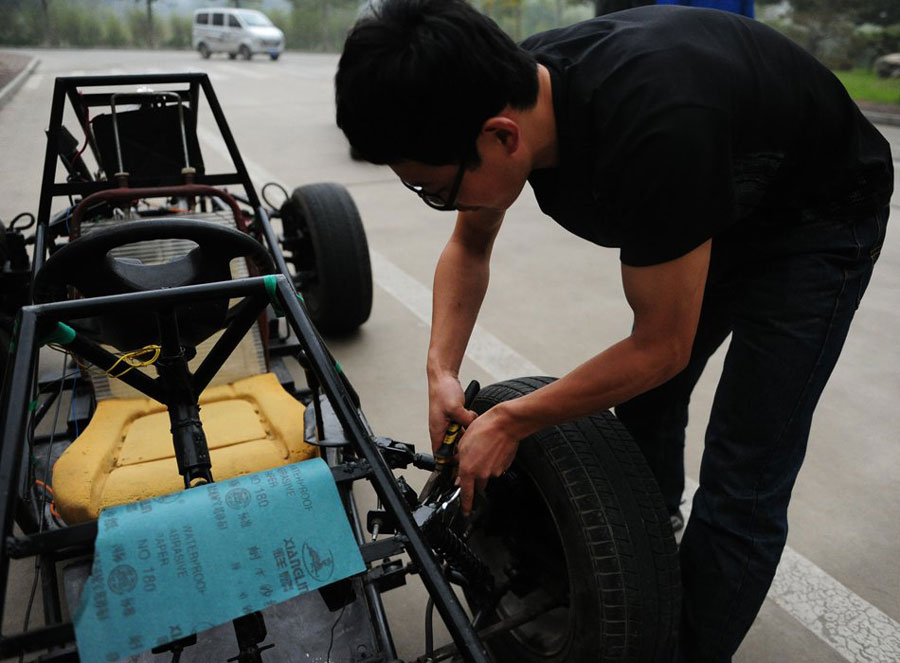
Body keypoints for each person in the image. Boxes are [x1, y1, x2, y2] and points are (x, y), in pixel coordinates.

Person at [335, 1, 892, 660]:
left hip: (818, 219)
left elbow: (661, 346)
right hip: (718, 194)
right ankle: (649, 551)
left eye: (434, 190)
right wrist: (441, 370)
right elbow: (470, 246)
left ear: (502, 137)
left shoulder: (653, 129)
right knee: (649, 404)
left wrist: (511, 419)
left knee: (744, 474)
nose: (441, 204)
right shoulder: (504, 91)